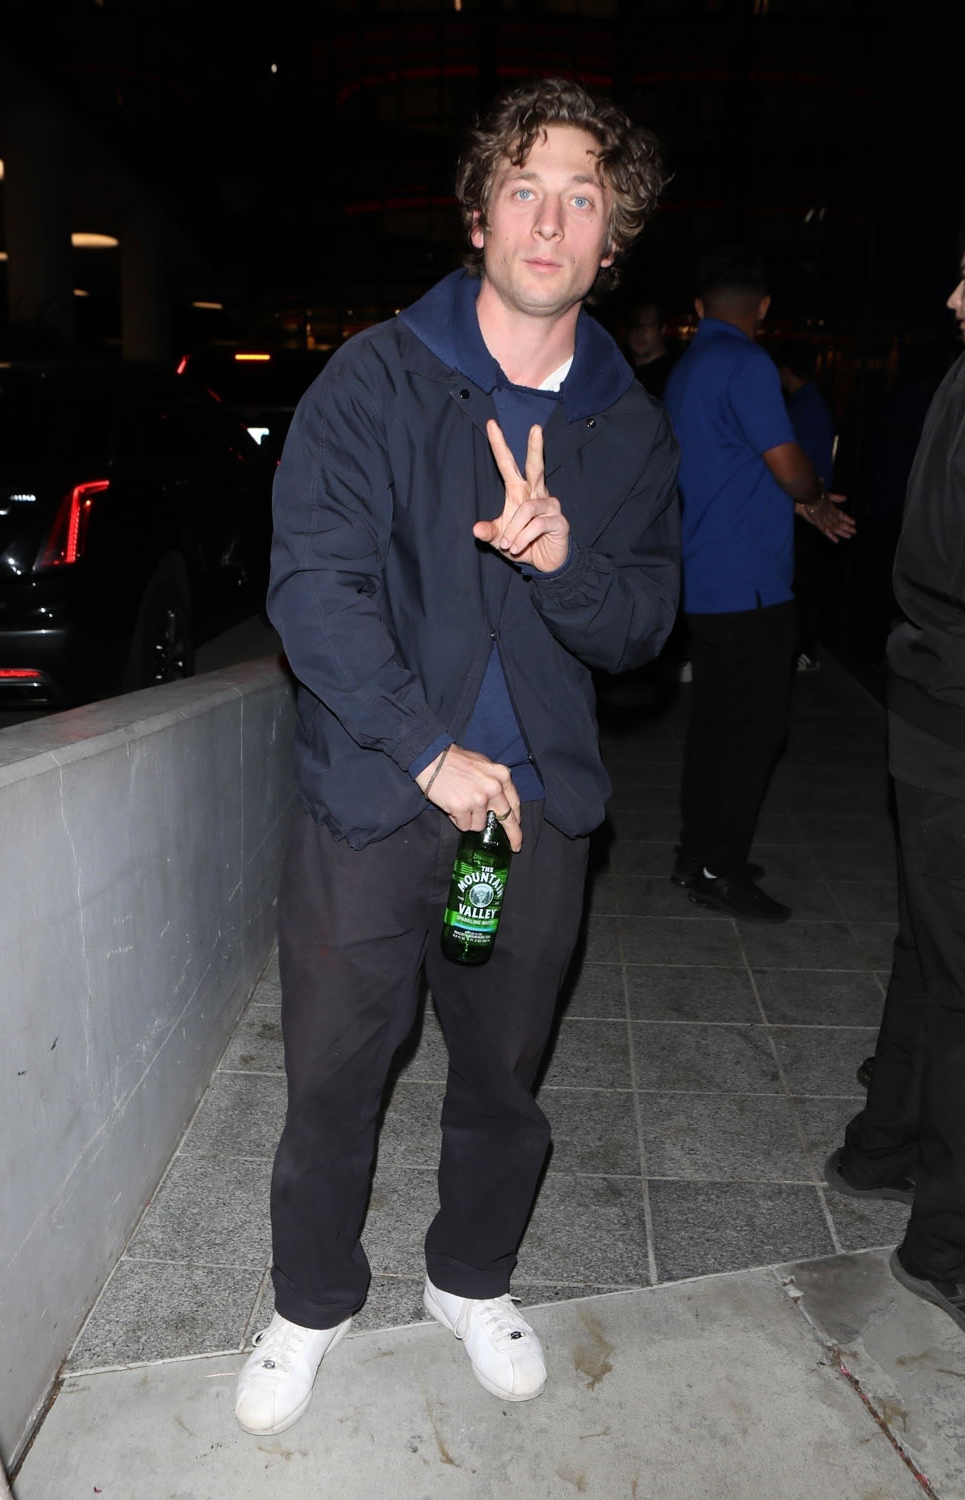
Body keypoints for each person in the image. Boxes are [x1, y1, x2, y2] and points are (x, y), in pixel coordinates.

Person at [233, 77, 681, 1436]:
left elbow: (643, 625)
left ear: (613, 239)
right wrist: (428, 751)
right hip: (378, 797)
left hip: (530, 818)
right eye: (524, 189)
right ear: (479, 215)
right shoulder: (376, 378)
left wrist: (565, 562)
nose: (550, 221)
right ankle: (311, 1300)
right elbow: (312, 588)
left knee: (502, 1075)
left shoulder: (626, 425)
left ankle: (470, 1278)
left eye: (583, 199)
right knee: (333, 1073)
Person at [825, 259, 965, 1334]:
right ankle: (945, 1246)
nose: (952, 300)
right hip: (950, 709)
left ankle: (879, 1150)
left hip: (929, 703)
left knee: (931, 954)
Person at [663, 244, 855, 922]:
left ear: (699, 306)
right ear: (763, 307)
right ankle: (718, 867)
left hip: (704, 576)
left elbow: (730, 466)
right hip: (751, 585)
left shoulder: (687, 369)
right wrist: (814, 496)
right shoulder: (747, 365)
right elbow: (789, 465)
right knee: (754, 730)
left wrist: (800, 504)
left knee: (716, 725)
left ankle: (699, 853)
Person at [778, 338, 837, 672]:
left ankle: (807, 649)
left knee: (804, 580)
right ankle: (803, 646)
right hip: (805, 503)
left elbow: (808, 467)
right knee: (801, 579)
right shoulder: (806, 404)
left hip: (807, 506)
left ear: (786, 370)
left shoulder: (805, 407)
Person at [627, 299, 679, 400]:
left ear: (663, 329)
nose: (640, 331)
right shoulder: (619, 371)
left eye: (648, 324)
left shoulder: (675, 375)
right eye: (634, 324)